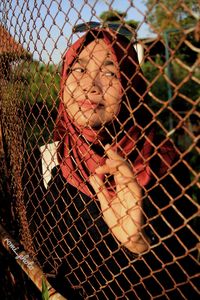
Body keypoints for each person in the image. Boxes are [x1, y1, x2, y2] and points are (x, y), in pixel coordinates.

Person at [23, 25, 199, 299]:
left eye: (109, 72)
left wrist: (138, 244)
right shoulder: (42, 161)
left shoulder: (163, 166)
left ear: (130, 85)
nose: (89, 85)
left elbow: (185, 274)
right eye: (78, 69)